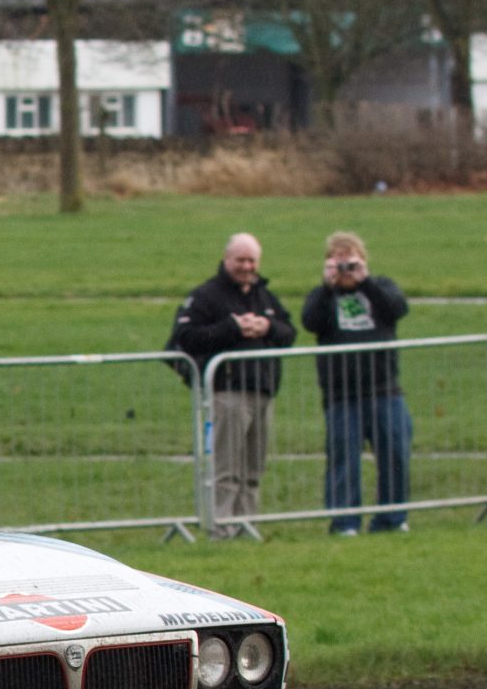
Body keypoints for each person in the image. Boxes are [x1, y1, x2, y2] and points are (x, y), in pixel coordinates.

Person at [173, 232, 297, 535]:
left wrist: (267, 326)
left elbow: (289, 332)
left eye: (251, 260)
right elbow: (185, 338)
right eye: (240, 260)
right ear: (227, 259)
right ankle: (222, 527)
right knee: (226, 467)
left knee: (253, 467)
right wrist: (233, 327)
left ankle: (247, 525)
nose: (246, 266)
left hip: (262, 392)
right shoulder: (206, 296)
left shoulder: (263, 295)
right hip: (226, 393)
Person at [301, 230, 413, 536]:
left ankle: (392, 518)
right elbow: (310, 322)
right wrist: (327, 287)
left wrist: (366, 282)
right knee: (343, 461)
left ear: (363, 260)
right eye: (337, 260)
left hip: (384, 390)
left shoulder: (381, 287)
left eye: (350, 260)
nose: (345, 268)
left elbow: (397, 309)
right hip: (341, 395)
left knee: (395, 456)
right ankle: (345, 522)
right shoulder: (322, 296)